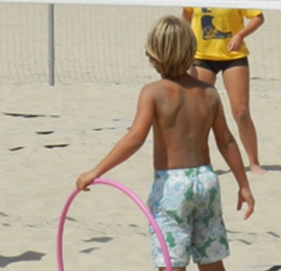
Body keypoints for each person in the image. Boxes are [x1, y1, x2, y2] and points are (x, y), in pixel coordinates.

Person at [75, 15, 254, 271]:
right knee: (212, 259)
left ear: (154, 54)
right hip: (206, 181)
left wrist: (96, 171)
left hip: (172, 186)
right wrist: (243, 184)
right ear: (192, 51)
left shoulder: (153, 92)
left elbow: (135, 138)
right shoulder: (208, 93)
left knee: (171, 262)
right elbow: (226, 140)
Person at [181, 0, 267, 174]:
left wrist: (240, 34)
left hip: (232, 56)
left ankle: (254, 161)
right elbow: (185, 20)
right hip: (202, 56)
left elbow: (258, 17)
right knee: (200, 112)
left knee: (240, 112)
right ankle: (199, 162)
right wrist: (184, 51)